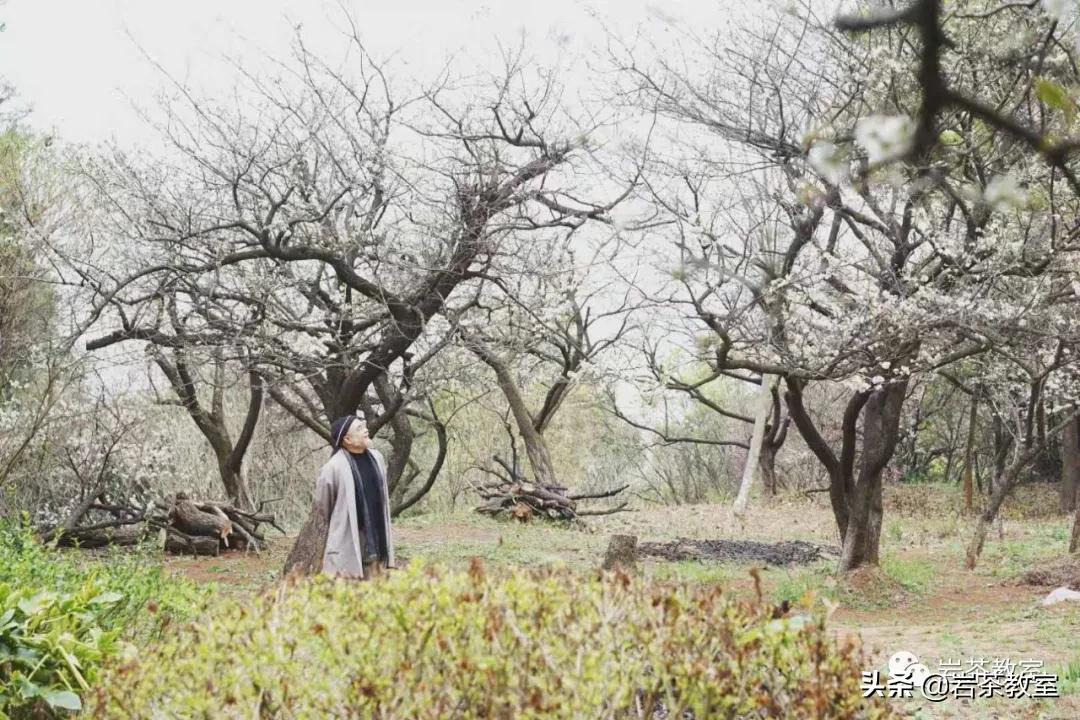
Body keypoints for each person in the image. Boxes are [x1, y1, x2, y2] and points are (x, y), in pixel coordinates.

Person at [313, 414, 396, 579]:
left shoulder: (377, 458)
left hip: (377, 532)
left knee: (376, 584)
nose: (366, 430)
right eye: (359, 428)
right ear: (347, 439)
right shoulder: (333, 468)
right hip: (351, 536)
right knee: (352, 586)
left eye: (364, 426)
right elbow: (323, 507)